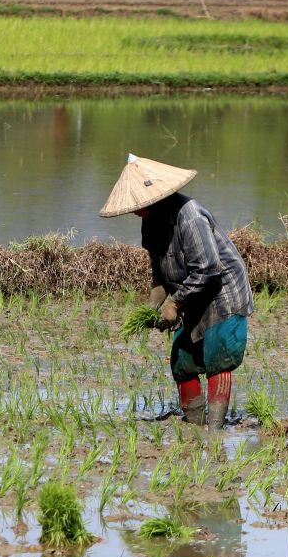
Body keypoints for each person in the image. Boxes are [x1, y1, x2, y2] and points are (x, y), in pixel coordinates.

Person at [101, 154, 254, 430]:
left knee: (218, 357)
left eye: (140, 206)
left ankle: (215, 430)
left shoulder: (190, 216)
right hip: (192, 295)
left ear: (155, 199)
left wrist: (175, 304)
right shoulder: (151, 223)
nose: (136, 212)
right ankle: (194, 426)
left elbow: (208, 269)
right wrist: (153, 305)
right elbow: (159, 273)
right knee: (182, 363)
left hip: (222, 295)